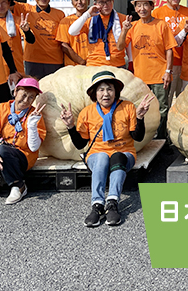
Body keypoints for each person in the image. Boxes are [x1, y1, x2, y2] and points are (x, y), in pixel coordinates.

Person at [60, 71, 155, 226]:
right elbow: (80, 144)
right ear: (94, 93)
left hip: (124, 154)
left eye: (109, 89)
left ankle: (112, 202)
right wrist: (70, 126)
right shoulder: (87, 113)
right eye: (101, 89)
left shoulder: (128, 107)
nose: (106, 93)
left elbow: (137, 137)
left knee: (117, 156)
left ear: (116, 92)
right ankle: (97, 205)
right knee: (102, 157)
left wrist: (140, 118)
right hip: (97, 156)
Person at [0, 78, 46, 205]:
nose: (25, 101)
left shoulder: (34, 114)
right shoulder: (1, 108)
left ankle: (18, 185)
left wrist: (32, 125)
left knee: (2, 151)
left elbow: (34, 147)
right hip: (3, 149)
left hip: (24, 155)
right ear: (15, 92)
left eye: (31, 97)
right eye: (23, 95)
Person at [116, 0, 176, 138]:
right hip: (140, 78)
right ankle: (144, 139)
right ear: (135, 8)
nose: (142, 9)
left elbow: (169, 49)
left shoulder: (161, 25)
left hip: (159, 76)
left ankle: (161, 139)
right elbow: (119, 46)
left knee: (162, 109)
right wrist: (124, 30)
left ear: (151, 6)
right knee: (141, 109)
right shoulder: (133, 26)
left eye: (145, 5)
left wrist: (168, 72)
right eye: (138, 5)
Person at [8, 0, 66, 79]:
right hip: (32, 61)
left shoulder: (60, 14)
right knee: (33, 91)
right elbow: (5, 0)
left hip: (55, 61)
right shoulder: (26, 9)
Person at [153, 0, 188, 100]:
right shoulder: (157, 13)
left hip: (187, 63)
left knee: (185, 98)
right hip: (168, 63)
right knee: (167, 98)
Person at [68, 0, 128, 68]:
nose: (105, 5)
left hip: (117, 64)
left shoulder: (123, 19)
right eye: (101, 2)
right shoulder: (89, 19)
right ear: (95, 4)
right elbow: (72, 31)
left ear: (112, 2)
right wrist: (88, 13)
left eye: (108, 1)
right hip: (94, 64)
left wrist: (130, 62)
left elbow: (129, 44)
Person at [56, 0, 91, 66]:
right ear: (72, 3)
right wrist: (81, 62)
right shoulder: (65, 21)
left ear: (88, 1)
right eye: (76, 0)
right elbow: (64, 46)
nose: (79, 2)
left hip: (94, 64)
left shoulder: (95, 19)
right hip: (73, 67)